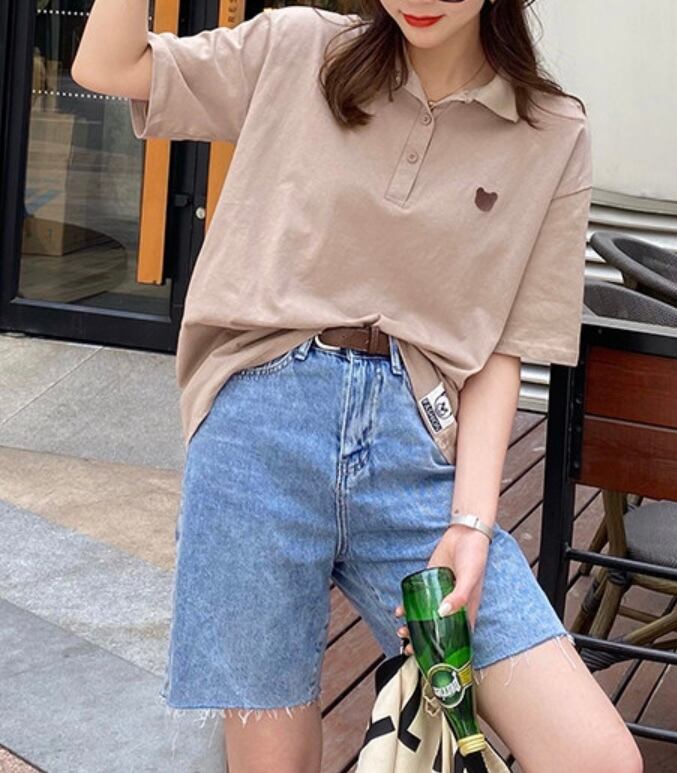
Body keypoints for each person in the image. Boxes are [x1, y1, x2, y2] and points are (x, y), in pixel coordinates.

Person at [73, 1, 644, 771]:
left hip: (416, 453)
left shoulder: (550, 132)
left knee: (595, 757)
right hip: (257, 432)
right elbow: (107, 67)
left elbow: (502, 349)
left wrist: (471, 524)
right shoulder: (299, 49)